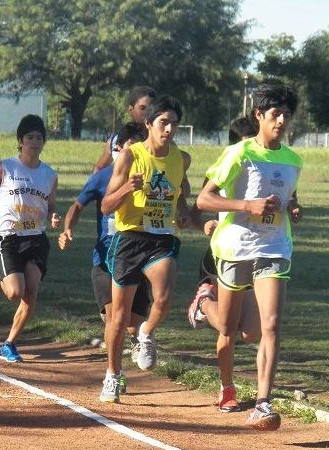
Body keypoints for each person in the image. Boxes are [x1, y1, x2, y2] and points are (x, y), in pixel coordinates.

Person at [196, 84, 303, 431]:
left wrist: (295, 208)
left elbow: (290, 196)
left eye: (286, 114)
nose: (282, 121)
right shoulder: (239, 154)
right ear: (259, 114)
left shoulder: (293, 159)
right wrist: (246, 205)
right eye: (275, 114)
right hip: (235, 247)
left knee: (267, 327)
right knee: (229, 330)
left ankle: (262, 402)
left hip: (274, 247)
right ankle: (226, 381)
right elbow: (204, 199)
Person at [98, 96, 193, 403]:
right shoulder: (129, 156)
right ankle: (113, 375)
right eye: (163, 122)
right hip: (130, 239)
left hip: (162, 238)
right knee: (119, 317)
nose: (169, 129)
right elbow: (105, 207)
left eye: (174, 123)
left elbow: (180, 193)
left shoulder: (181, 158)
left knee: (164, 297)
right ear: (148, 124)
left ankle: (146, 334)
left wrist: (184, 211)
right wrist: (128, 188)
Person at [58, 121, 151, 394]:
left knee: (132, 326)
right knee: (114, 320)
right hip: (106, 258)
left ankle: (132, 349)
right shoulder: (103, 177)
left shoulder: (150, 175)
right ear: (119, 149)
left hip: (137, 256)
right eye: (130, 147)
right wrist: (68, 228)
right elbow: (77, 205)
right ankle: (114, 374)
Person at [187, 115, 261, 414]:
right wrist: (204, 225)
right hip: (224, 255)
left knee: (251, 333)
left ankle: (204, 304)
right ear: (233, 147)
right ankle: (227, 388)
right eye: (245, 144)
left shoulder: (266, 168)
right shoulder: (223, 169)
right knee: (228, 330)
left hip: (260, 253)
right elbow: (196, 212)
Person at [0, 114, 60, 362]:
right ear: (20, 141)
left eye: (39, 138)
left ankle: (9, 343)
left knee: (30, 293)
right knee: (14, 292)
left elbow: (52, 205)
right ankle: (1, 267)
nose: (34, 142)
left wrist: (54, 216)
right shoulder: (7, 167)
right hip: (9, 238)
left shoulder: (49, 175)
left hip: (35, 238)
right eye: (30, 137)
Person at [93, 86, 157, 172]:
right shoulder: (114, 141)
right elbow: (99, 168)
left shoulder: (162, 142)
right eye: (142, 108)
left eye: (151, 109)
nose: (147, 113)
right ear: (131, 109)